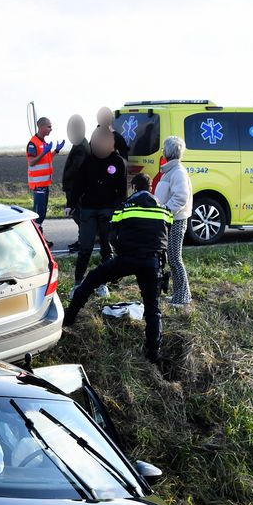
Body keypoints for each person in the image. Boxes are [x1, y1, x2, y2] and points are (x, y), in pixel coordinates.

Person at [63, 173, 171, 362]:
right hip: (152, 262)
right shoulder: (164, 210)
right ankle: (154, 354)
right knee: (153, 310)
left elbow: (113, 237)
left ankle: (69, 318)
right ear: (150, 188)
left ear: (134, 188)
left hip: (127, 258)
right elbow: (165, 238)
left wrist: (121, 257)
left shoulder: (125, 206)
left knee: (92, 279)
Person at [67, 126, 127, 297]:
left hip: (108, 210)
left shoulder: (118, 162)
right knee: (85, 248)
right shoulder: (88, 161)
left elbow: (122, 191)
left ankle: (103, 284)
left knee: (106, 249)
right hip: (88, 210)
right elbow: (79, 185)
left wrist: (119, 209)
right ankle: (78, 283)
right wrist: (70, 204)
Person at [153, 136, 193, 307]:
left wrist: (166, 211)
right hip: (170, 219)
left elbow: (181, 196)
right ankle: (179, 295)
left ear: (167, 152)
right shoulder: (170, 170)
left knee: (175, 258)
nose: (162, 151)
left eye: (163, 149)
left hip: (176, 220)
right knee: (173, 258)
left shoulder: (177, 172)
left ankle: (183, 297)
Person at [25, 117, 64, 236]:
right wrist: (43, 152)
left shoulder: (43, 143)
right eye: (49, 126)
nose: (51, 129)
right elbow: (31, 161)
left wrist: (55, 151)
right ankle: (36, 239)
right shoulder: (33, 143)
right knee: (38, 214)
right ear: (41, 127)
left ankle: (41, 239)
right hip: (38, 186)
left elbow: (46, 159)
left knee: (42, 214)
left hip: (45, 184)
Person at [60, 114, 89, 251]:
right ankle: (82, 240)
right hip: (75, 187)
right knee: (79, 216)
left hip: (76, 188)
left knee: (79, 216)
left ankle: (82, 242)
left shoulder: (81, 147)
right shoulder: (80, 143)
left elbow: (77, 169)